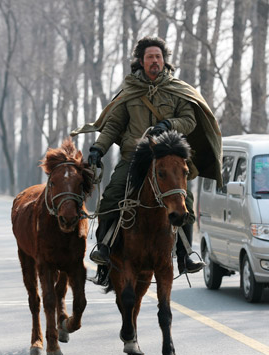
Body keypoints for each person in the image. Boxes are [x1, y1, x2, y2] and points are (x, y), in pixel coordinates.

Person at [71, 36, 222, 285]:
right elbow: (113, 125)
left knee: (185, 200)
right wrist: (98, 148)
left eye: (159, 57)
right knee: (111, 196)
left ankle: (185, 255)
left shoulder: (177, 89)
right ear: (141, 61)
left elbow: (189, 120)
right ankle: (105, 248)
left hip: (167, 158)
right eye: (150, 57)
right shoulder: (129, 93)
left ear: (164, 61)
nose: (155, 61)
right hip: (134, 158)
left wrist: (168, 124)